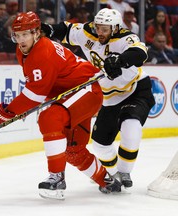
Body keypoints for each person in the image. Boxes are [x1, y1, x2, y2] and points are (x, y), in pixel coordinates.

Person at [0, 11, 122, 200]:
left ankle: (56, 178)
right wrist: (20, 107)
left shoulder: (43, 50)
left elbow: (35, 93)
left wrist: (8, 112)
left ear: (37, 33)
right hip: (71, 95)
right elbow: (39, 86)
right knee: (73, 151)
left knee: (49, 118)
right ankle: (107, 181)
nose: (21, 40)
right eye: (17, 35)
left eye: (25, 34)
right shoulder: (24, 51)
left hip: (87, 90)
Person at [41, 8, 155, 190]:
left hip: (136, 89)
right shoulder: (88, 33)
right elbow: (67, 29)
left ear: (115, 28)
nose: (99, 32)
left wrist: (120, 60)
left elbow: (140, 53)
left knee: (130, 127)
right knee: (101, 145)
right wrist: (48, 29)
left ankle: (124, 172)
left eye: (105, 29)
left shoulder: (126, 37)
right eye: (98, 27)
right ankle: (114, 172)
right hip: (109, 98)